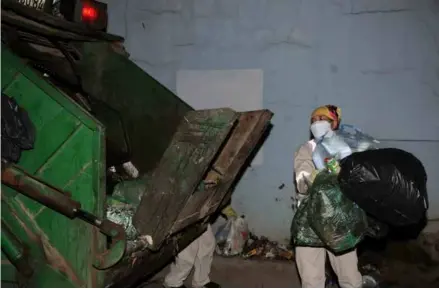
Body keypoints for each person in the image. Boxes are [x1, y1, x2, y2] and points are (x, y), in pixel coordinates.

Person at [294, 104, 363, 288]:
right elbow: (302, 181)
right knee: (311, 278)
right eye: (314, 120)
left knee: (349, 276)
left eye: (323, 119)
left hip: (340, 218)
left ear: (335, 123)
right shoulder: (307, 148)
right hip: (310, 219)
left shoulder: (348, 148)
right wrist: (318, 177)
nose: (317, 123)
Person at [163, 206, 237, 288]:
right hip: (186, 212)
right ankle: (173, 283)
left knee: (208, 242)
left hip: (200, 211)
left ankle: (201, 282)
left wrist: (225, 207)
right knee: (188, 248)